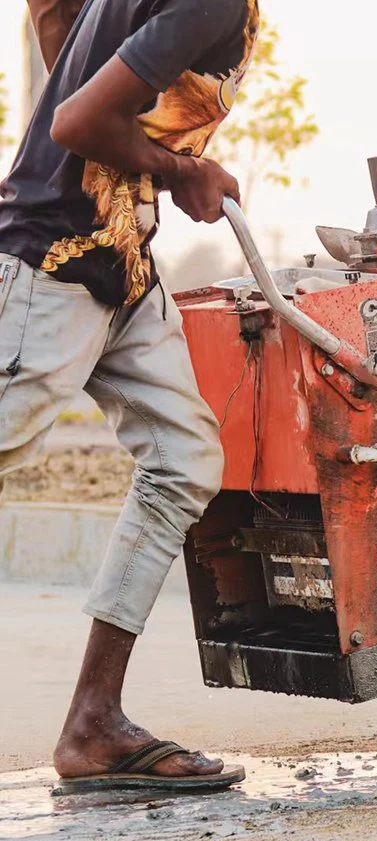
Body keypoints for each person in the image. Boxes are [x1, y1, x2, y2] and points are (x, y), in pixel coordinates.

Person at [0, 0, 262, 791]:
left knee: (184, 459)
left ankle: (94, 724)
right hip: (51, 267)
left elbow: (54, 16)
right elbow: (77, 122)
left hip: (122, 267)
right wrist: (185, 171)